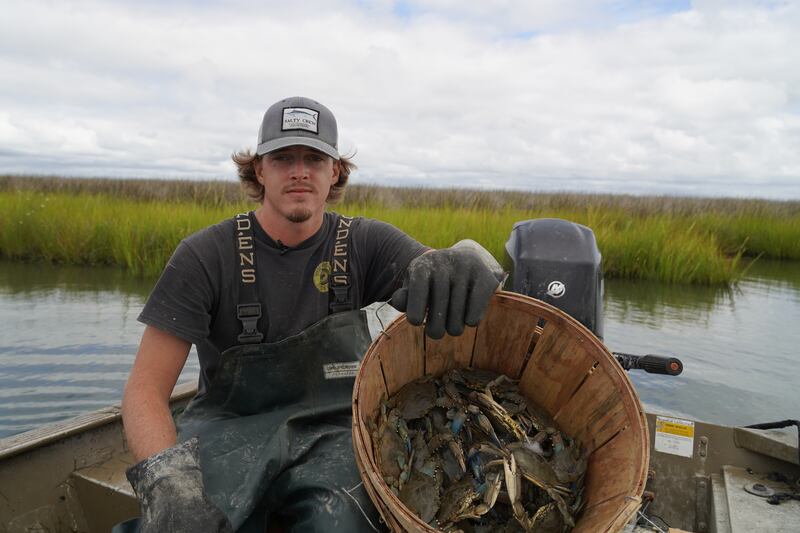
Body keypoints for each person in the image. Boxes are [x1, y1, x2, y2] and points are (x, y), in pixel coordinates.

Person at [118, 96, 503, 532]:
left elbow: (441, 272)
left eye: (314, 158)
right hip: (227, 431)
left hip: (335, 433)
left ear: (335, 170)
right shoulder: (205, 255)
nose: (299, 171)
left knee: (339, 521)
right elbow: (145, 390)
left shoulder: (365, 243)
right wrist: (167, 483)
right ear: (259, 169)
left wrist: (468, 255)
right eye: (283, 158)